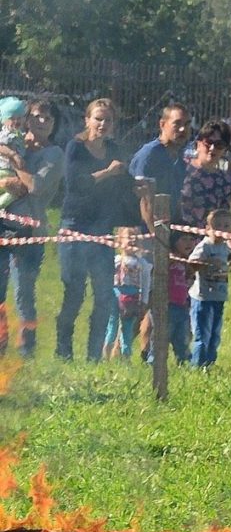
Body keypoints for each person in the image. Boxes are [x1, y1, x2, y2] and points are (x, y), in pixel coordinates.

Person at [55, 98, 134, 362]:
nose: (102, 124)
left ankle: (93, 357)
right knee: (74, 292)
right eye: (98, 118)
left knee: (104, 296)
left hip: (103, 230)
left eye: (108, 120)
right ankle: (63, 352)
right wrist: (108, 172)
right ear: (87, 120)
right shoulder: (75, 148)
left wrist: (139, 186)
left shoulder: (115, 149)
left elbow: (124, 182)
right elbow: (75, 184)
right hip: (74, 227)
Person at [0, 99, 64, 356]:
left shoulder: (54, 154)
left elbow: (35, 187)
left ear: (54, 125)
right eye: (37, 116)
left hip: (29, 232)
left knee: (23, 293)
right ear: (27, 118)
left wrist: (15, 161)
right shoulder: (10, 140)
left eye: (48, 118)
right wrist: (6, 181)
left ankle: (26, 350)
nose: (42, 121)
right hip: (2, 225)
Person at [187, 208, 231, 369]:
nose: (222, 229)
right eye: (218, 226)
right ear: (208, 228)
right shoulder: (205, 246)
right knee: (202, 332)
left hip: (219, 295)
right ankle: (198, 364)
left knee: (215, 332)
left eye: (226, 226)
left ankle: (210, 363)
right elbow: (191, 265)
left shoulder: (224, 247)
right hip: (202, 297)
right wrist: (206, 263)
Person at [129, 104, 190, 223]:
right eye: (177, 123)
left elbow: (176, 200)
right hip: (142, 228)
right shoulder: (150, 154)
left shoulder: (179, 160)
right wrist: (154, 232)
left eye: (187, 124)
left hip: (166, 226)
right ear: (162, 124)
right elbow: (144, 201)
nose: (183, 129)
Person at [102, 227, 152, 361]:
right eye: (129, 237)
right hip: (115, 294)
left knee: (127, 328)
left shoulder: (142, 264)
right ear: (120, 240)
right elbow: (106, 277)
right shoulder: (116, 260)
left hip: (132, 298)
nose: (132, 240)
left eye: (135, 238)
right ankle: (106, 355)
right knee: (112, 325)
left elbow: (146, 283)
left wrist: (144, 301)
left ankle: (126, 356)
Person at [146, 230, 194, 366]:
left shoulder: (185, 261)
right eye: (184, 239)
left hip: (182, 306)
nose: (188, 243)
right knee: (162, 337)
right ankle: (154, 362)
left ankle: (183, 362)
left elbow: (188, 279)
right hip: (165, 306)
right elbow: (155, 272)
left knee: (182, 337)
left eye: (191, 239)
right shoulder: (168, 257)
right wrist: (168, 261)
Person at [181, 119, 231, 229]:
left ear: (225, 150)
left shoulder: (224, 181)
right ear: (198, 144)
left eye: (219, 145)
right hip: (179, 235)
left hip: (209, 237)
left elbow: (224, 217)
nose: (212, 149)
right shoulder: (181, 169)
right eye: (208, 143)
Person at [0, 97, 28, 211]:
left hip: (10, 171)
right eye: (12, 118)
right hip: (4, 169)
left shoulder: (18, 134)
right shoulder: (6, 134)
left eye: (19, 118)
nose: (16, 121)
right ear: (4, 121)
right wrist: (13, 155)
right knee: (15, 192)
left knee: (12, 191)